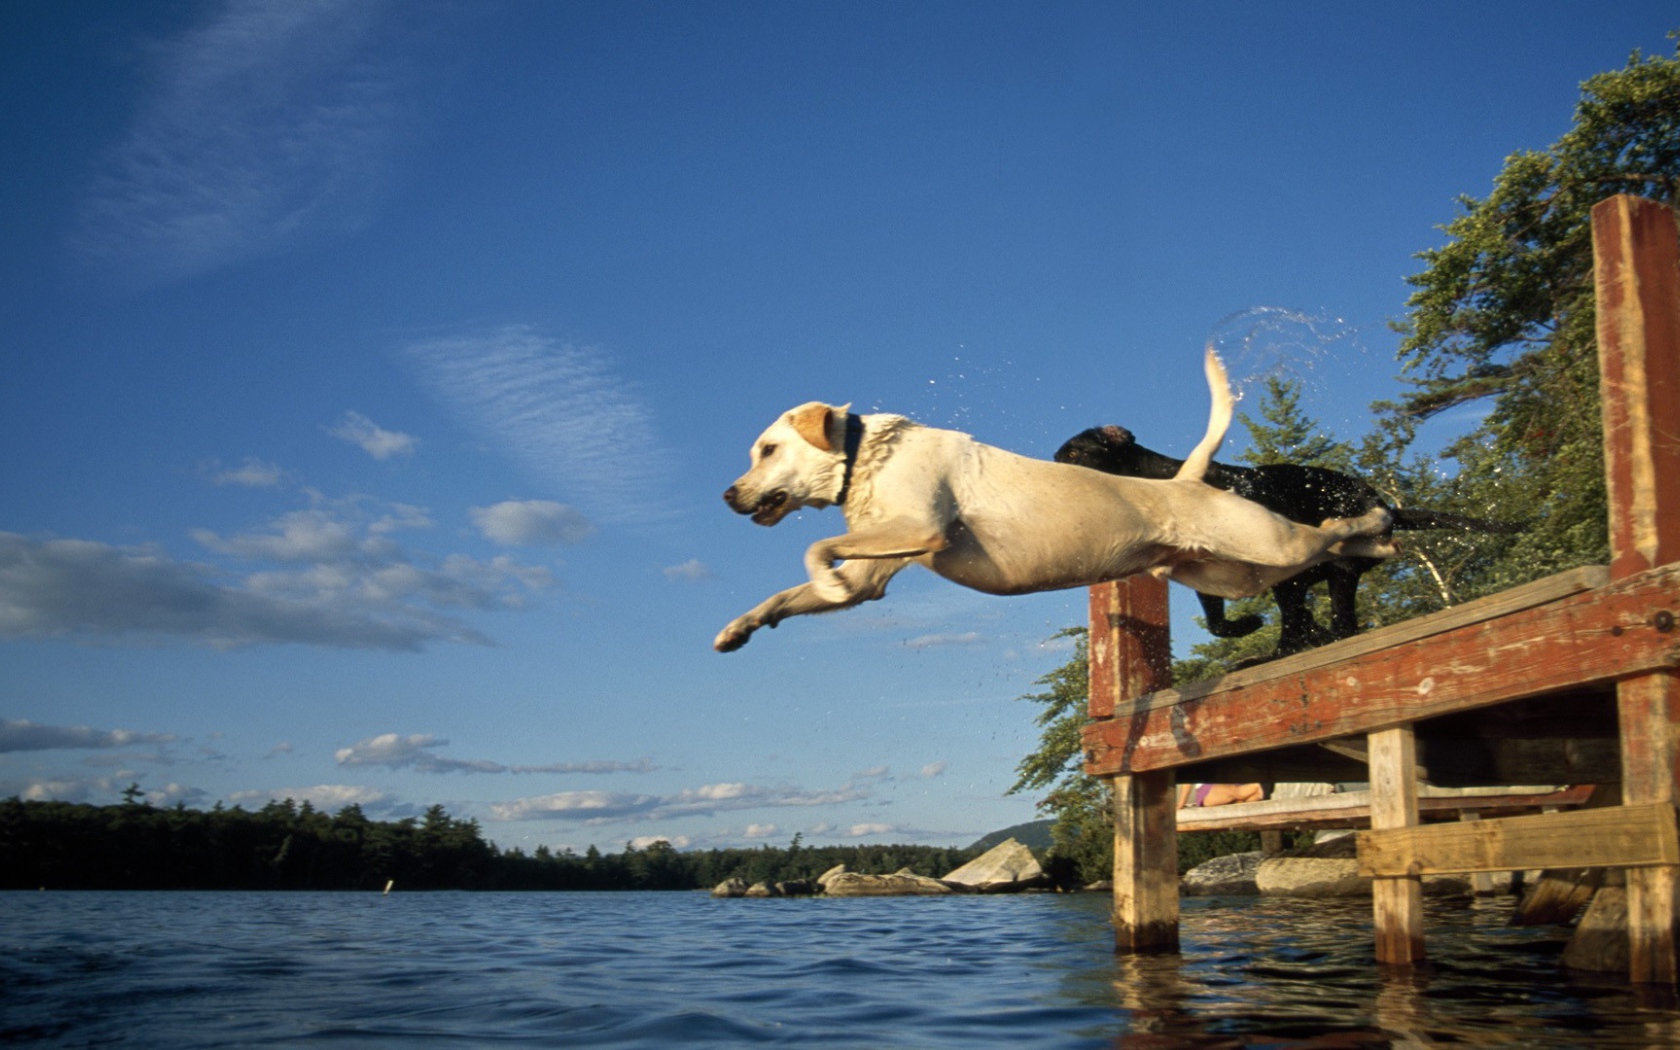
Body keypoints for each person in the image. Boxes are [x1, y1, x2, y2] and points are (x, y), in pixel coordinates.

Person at [1177, 782, 1264, 808]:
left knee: (1258, 793)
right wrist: (1180, 805)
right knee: (1256, 787)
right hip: (1209, 789)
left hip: (1232, 786)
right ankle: (1239, 803)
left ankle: (1239, 804)